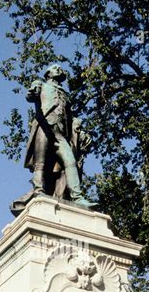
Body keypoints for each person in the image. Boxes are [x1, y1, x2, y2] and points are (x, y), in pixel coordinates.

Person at [23, 63, 95, 208]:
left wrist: (80, 131)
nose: (59, 69)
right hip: (44, 127)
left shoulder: (64, 94)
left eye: (60, 68)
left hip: (60, 134)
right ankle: (38, 190)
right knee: (41, 163)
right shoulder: (41, 84)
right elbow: (30, 96)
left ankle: (77, 197)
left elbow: (69, 117)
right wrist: (33, 92)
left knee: (70, 161)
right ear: (48, 74)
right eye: (55, 68)